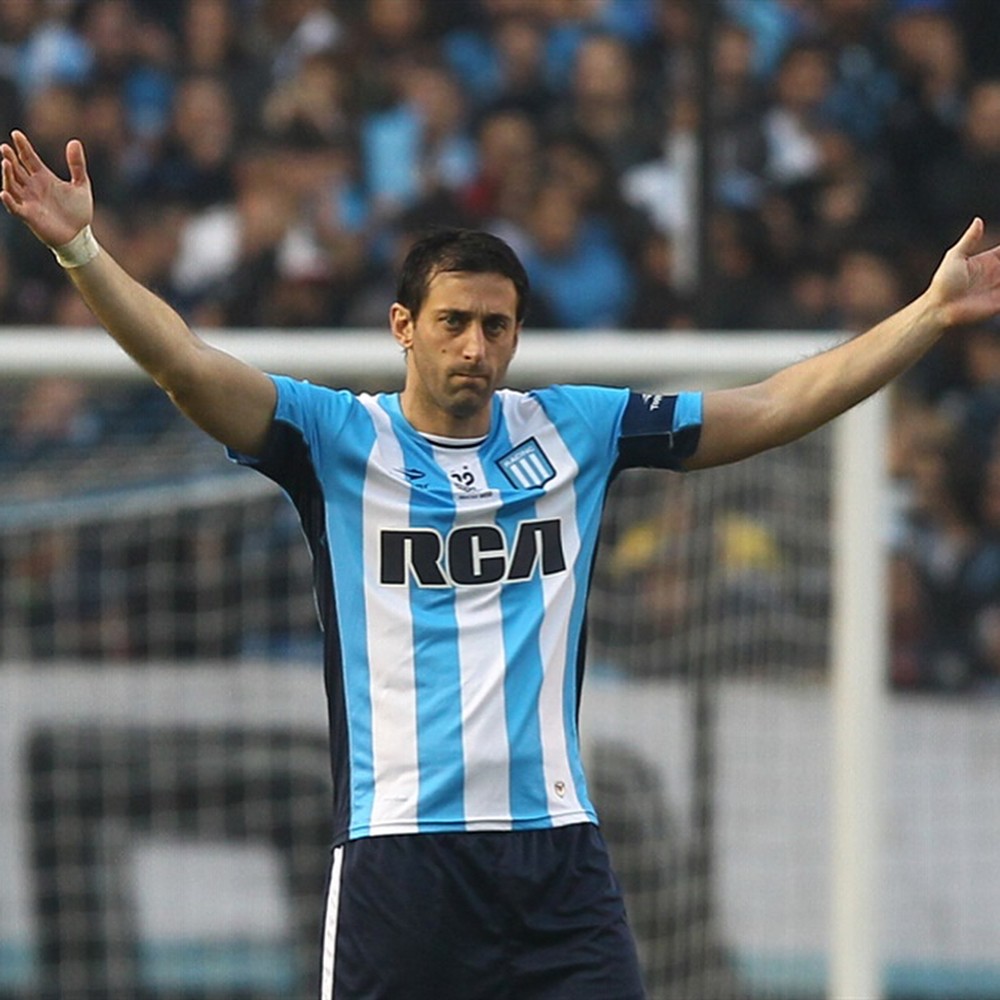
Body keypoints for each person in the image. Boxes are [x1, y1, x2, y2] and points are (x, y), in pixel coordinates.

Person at [5, 128, 1000, 1000]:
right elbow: (183, 361)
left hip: (557, 856)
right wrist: (82, 249)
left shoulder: (577, 428)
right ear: (404, 326)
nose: (475, 346)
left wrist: (926, 313)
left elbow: (777, 405)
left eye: (496, 325)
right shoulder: (334, 437)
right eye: (452, 322)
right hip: (403, 855)